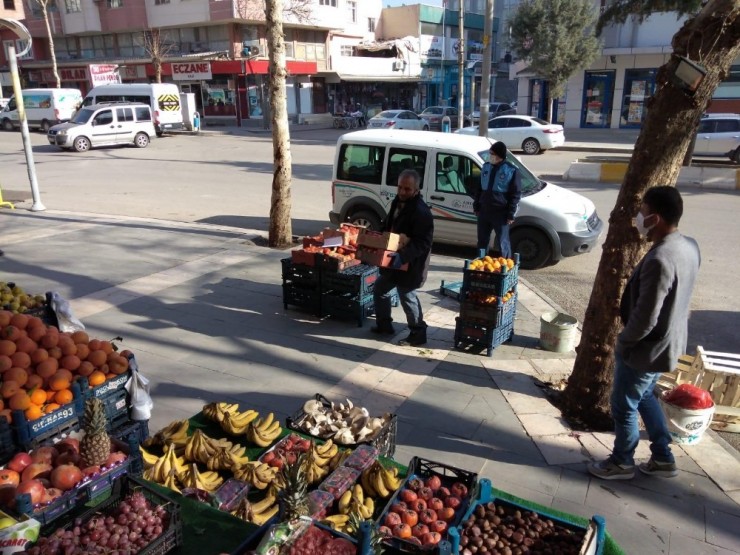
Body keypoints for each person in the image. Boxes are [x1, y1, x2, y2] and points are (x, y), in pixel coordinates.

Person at [588, 186, 701, 481]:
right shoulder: (689, 246)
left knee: (624, 405)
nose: (639, 217)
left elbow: (646, 317)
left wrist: (623, 343)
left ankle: (622, 461)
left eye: (643, 211)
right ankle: (663, 457)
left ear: (656, 218)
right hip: (668, 345)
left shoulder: (660, 259)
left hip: (645, 349)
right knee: (646, 395)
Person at [371, 169, 434, 347]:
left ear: (416, 189)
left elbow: (423, 242)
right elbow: (389, 224)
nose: (402, 192)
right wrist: (378, 237)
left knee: (407, 295)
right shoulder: (397, 202)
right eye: (400, 187)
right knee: (380, 288)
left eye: (407, 189)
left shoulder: (421, 212)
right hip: (393, 260)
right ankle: (384, 325)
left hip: (411, 263)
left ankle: (418, 332)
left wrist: (403, 256)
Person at [474, 141, 521, 259]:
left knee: (503, 242)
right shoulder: (486, 167)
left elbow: (515, 194)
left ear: (499, 155)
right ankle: (481, 264)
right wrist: (476, 206)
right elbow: (479, 189)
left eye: (492, 153)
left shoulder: (511, 170)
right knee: (482, 241)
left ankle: (506, 267)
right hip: (484, 211)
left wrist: (511, 214)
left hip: (501, 213)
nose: (490, 156)